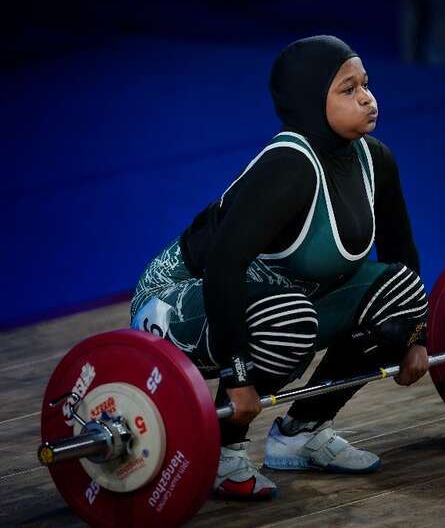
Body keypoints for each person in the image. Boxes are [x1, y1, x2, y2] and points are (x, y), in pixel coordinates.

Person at [130, 35, 429, 500]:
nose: (368, 99)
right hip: (178, 302)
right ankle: (222, 453)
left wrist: (414, 337)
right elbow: (225, 267)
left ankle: (301, 432)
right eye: (348, 90)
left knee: (402, 295)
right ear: (312, 101)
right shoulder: (289, 166)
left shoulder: (376, 160)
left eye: (366, 85)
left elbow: (400, 254)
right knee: (291, 320)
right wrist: (239, 377)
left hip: (277, 301)